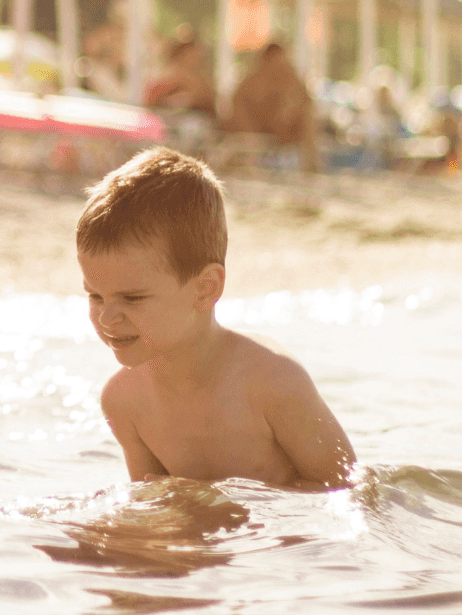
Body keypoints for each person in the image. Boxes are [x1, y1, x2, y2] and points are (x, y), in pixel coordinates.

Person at [76, 147, 356, 487]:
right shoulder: (124, 402)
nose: (106, 318)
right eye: (95, 296)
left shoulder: (273, 382)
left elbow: (349, 493)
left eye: (132, 298)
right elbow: (150, 508)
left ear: (205, 289)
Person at [222, 42, 319, 172]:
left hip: (281, 144)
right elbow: (236, 114)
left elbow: (305, 109)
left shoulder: (292, 83)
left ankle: (310, 165)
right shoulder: (250, 85)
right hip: (254, 141)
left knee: (305, 117)